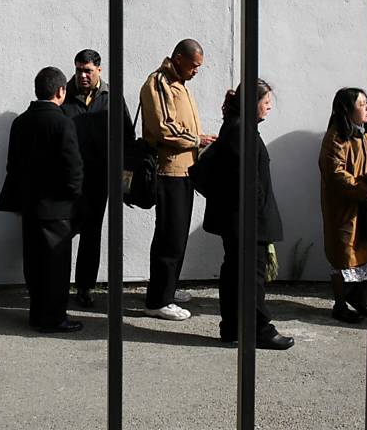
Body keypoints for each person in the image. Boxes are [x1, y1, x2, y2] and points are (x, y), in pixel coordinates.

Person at [202, 80, 294, 349]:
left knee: (233, 273)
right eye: (265, 101)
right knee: (251, 276)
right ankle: (259, 329)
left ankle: (231, 327)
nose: (269, 105)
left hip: (237, 219)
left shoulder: (236, 126)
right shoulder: (242, 131)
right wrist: (256, 223)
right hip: (246, 220)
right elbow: (247, 183)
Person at [0, 67, 85, 332]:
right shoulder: (63, 122)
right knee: (56, 268)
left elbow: (12, 166)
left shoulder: (21, 122)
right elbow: (73, 168)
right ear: (61, 91)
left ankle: (37, 314)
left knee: (34, 266)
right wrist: (75, 198)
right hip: (57, 208)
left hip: (29, 206)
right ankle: (54, 318)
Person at [139, 39, 217, 321]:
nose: (197, 71)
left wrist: (199, 140)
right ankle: (158, 300)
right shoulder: (159, 82)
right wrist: (197, 139)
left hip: (184, 170)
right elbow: (163, 128)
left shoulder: (179, 83)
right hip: (168, 171)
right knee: (169, 236)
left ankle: (168, 288)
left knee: (177, 234)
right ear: (180, 58)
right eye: (194, 65)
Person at [60, 49, 134, 308]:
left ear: (99, 70)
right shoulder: (63, 94)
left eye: (88, 70)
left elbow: (127, 138)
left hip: (98, 178)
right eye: (79, 69)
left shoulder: (111, 97)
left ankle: (84, 287)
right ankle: (58, 285)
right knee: (62, 232)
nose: (82, 75)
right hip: (68, 179)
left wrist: (124, 183)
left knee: (91, 234)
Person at [319, 88, 367, 323]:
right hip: (343, 209)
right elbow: (336, 174)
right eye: (362, 104)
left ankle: (358, 299)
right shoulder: (336, 138)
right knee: (343, 255)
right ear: (347, 110)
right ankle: (340, 304)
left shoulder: (365, 134)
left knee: (363, 253)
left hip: (363, 206)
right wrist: (365, 189)